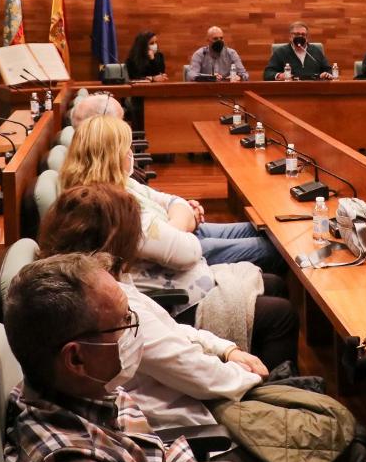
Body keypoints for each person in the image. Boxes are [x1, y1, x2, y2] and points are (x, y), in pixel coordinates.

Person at [3, 253, 366, 462]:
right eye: (123, 324)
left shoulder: (88, 393)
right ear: (76, 358)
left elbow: (159, 455)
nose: (135, 332)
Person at [60, 116, 295, 367]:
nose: (131, 154)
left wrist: (174, 226)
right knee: (283, 312)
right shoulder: (109, 208)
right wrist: (182, 225)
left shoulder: (119, 186)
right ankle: (272, 381)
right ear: (111, 157)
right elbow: (188, 251)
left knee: (274, 282)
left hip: (185, 275)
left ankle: (255, 363)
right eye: (126, 149)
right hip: (175, 298)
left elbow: (172, 202)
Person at [38, 184, 263, 429]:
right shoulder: (108, 304)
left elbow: (167, 332)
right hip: (189, 423)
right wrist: (251, 378)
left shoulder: (87, 282)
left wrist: (225, 349)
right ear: (119, 241)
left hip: (189, 393)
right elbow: (191, 369)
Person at [263, 22, 333, 81]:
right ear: (290, 37)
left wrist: (326, 75)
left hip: (314, 89)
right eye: (296, 34)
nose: (300, 37)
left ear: (307, 37)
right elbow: (267, 74)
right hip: (290, 90)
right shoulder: (281, 52)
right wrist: (280, 76)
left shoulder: (315, 51)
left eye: (303, 34)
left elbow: (329, 70)